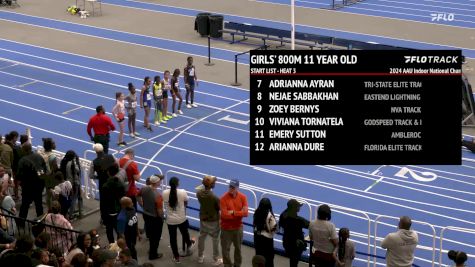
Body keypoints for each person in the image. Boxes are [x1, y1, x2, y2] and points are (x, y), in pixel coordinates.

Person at [163, 177, 195, 263]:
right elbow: (186, 201)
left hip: (170, 220)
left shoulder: (164, 193)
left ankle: (176, 257)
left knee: (173, 239)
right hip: (181, 218)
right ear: (177, 184)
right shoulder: (182, 192)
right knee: (185, 233)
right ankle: (189, 244)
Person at [220, 179, 248, 267]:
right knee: (225, 250)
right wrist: (239, 214)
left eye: (233, 187)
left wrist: (233, 212)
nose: (230, 188)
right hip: (226, 229)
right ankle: (227, 265)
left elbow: (246, 213)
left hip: (238, 228)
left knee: (238, 249)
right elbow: (224, 216)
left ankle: (237, 265)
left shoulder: (243, 197)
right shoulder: (223, 199)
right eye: (230, 186)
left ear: (237, 188)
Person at [196, 175, 222, 265]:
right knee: (215, 240)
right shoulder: (215, 198)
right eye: (214, 182)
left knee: (201, 237)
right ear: (211, 185)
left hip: (203, 219)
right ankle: (215, 258)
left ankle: (200, 256)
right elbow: (219, 208)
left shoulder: (198, 193)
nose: (215, 183)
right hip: (214, 221)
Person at [137, 175, 164, 260]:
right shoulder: (158, 196)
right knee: (156, 237)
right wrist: (162, 218)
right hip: (155, 218)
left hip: (146, 214)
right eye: (159, 181)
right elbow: (160, 212)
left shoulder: (144, 188)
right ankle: (153, 254)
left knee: (150, 234)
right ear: (156, 183)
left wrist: (142, 205)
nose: (160, 182)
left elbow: (137, 195)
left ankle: (151, 250)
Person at [17, 143, 47, 220]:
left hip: (28, 187)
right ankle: (40, 222)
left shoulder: (22, 160)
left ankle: (21, 222)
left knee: (25, 205)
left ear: (24, 150)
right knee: (39, 205)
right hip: (39, 186)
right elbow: (45, 170)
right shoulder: (39, 157)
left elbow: (19, 176)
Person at [89, 143, 116, 223]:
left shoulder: (94, 162)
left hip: (103, 184)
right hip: (113, 182)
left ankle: (104, 219)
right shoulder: (111, 156)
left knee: (103, 202)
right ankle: (114, 216)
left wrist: (98, 177)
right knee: (113, 198)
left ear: (96, 152)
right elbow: (117, 165)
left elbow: (91, 175)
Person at [279, 199, 310, 267]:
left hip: (286, 242)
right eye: (298, 206)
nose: (299, 208)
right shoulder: (299, 220)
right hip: (296, 246)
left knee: (293, 262)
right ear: (295, 208)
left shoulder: (283, 215)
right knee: (294, 263)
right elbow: (310, 225)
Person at [102, 164, 126, 244]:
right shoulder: (120, 184)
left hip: (108, 211)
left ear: (108, 172)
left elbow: (103, 202)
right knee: (120, 231)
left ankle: (111, 245)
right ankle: (121, 246)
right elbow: (123, 199)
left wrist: (103, 215)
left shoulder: (105, 186)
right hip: (118, 211)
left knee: (109, 230)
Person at [253, 198, 277, 267]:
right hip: (267, 241)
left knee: (259, 259)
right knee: (269, 260)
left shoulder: (256, 212)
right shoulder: (270, 216)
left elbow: (255, 225)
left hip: (258, 239)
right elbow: (274, 229)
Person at [61, 150, 83, 219]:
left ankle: (69, 213)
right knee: (74, 199)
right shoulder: (72, 164)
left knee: (69, 198)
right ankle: (71, 215)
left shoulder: (64, 162)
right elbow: (77, 175)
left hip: (67, 183)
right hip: (74, 184)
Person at [39, 137, 59, 209]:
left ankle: (49, 209)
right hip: (51, 177)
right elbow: (55, 168)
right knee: (53, 194)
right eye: (53, 143)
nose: (55, 144)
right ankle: (54, 208)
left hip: (43, 176)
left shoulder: (42, 153)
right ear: (51, 146)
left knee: (48, 194)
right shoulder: (53, 156)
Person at [117, 197, 139, 261]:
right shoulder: (121, 218)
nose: (132, 204)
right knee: (132, 255)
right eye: (130, 203)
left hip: (133, 236)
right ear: (124, 206)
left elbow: (136, 221)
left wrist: (138, 232)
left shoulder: (133, 209)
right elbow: (121, 234)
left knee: (133, 250)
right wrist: (125, 246)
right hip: (127, 239)